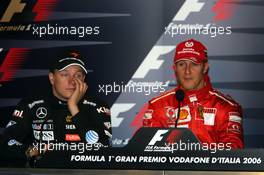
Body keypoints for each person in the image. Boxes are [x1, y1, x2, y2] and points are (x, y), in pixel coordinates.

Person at [0, 51, 112, 166]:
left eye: (78, 75)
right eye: (64, 74)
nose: (72, 81)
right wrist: (30, 151)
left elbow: (101, 148)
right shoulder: (33, 104)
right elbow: (6, 142)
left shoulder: (97, 106)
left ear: (83, 79)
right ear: (52, 78)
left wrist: (73, 106)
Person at [143, 39, 244, 149]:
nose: (187, 71)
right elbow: (147, 151)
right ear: (175, 68)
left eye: (194, 64)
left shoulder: (226, 107)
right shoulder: (158, 106)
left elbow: (233, 154)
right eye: (182, 64)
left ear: (205, 67)